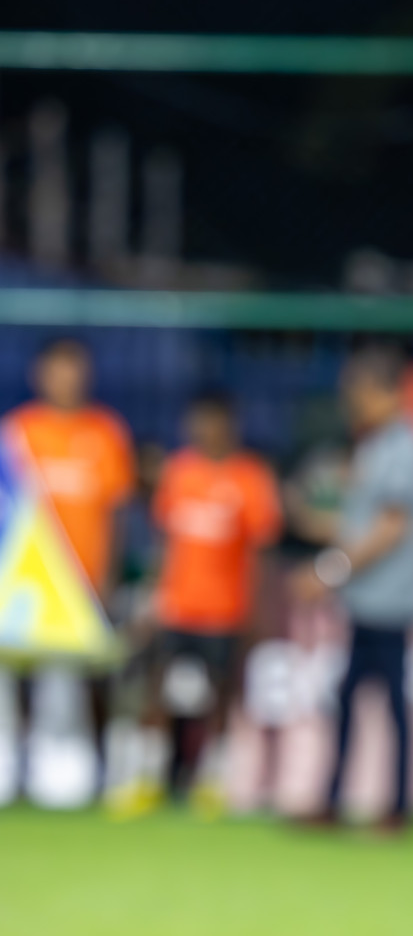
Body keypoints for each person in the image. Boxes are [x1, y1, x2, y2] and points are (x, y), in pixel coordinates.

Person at [109, 393, 282, 818]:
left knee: (221, 698)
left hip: (226, 610)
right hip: (177, 607)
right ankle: (149, 778)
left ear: (229, 426)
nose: (204, 431)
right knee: (156, 693)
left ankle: (212, 781)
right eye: (198, 423)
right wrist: (154, 597)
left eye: (213, 422)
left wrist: (257, 610)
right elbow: (165, 545)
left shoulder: (251, 478)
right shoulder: (179, 473)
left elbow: (260, 551)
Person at [294, 345, 413, 831]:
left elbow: (392, 528)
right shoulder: (377, 445)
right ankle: (345, 800)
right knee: (356, 699)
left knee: (386, 703)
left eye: (358, 390)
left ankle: (393, 806)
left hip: (389, 601)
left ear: (383, 390)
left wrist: (332, 569)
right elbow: (365, 521)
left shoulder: (403, 447)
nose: (351, 400)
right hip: (368, 599)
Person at [2, 339, 135, 804]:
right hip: (24, 586)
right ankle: (11, 769)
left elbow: (117, 512)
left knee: (75, 682)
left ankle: (73, 775)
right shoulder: (16, 431)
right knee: (13, 677)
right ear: (39, 374)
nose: (67, 379)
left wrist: (110, 577)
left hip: (83, 583)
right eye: (58, 370)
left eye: (75, 369)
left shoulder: (106, 434)